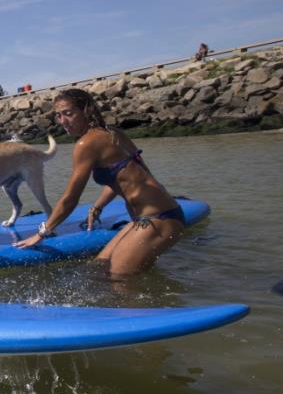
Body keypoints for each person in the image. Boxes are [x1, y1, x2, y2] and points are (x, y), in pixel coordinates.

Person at [15, 89, 186, 277]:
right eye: (59, 115)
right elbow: (122, 178)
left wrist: (42, 233)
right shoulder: (113, 133)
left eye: (69, 114)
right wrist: (97, 207)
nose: (63, 121)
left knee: (119, 278)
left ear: (86, 111)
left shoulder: (86, 144)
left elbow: (70, 198)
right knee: (101, 264)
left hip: (158, 219)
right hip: (155, 216)